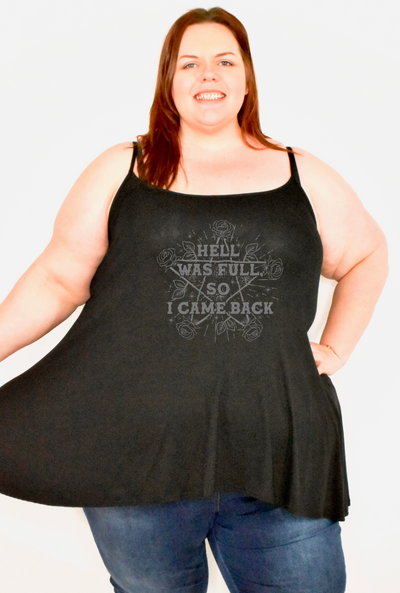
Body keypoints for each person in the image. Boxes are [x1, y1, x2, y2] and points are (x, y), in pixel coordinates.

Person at [0, 7, 388, 593]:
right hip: (133, 459)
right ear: (169, 79)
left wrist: (336, 347)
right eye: (190, 63)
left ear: (247, 78)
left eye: (225, 61)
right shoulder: (122, 168)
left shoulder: (302, 174)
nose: (209, 74)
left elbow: (367, 254)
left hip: (279, 458)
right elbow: (56, 279)